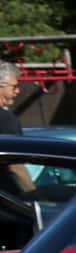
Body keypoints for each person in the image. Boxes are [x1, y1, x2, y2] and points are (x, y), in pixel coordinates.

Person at [0, 62, 33, 198]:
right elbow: (15, 165)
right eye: (14, 86)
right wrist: (33, 195)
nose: (18, 91)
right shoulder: (4, 118)